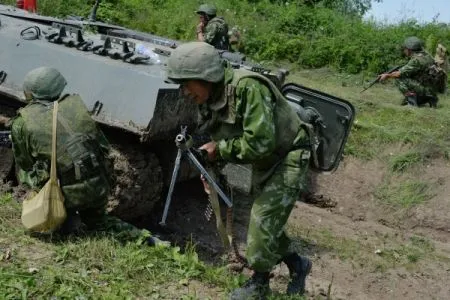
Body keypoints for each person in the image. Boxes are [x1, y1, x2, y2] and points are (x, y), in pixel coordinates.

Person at [166, 42, 312, 299]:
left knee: (262, 219)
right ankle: (298, 264)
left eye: (187, 83)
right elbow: (221, 133)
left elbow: (261, 142)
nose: (185, 92)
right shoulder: (209, 98)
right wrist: (212, 167)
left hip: (288, 156)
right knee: (265, 223)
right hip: (261, 160)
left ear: (206, 77)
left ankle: (259, 284)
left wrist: (220, 150)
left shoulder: (247, 88)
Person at [10, 67, 163, 246]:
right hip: (98, 185)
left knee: (30, 175)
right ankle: (149, 240)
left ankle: (65, 219)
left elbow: (25, 164)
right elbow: (102, 145)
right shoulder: (76, 106)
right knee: (99, 220)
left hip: (61, 194)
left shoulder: (22, 122)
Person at [379, 36, 438, 107]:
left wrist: (387, 75)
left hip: (424, 89)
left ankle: (412, 102)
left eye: (405, 49)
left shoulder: (416, 60)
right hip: (433, 89)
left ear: (409, 50)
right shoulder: (428, 55)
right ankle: (431, 98)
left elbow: (398, 74)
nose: (404, 51)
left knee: (399, 79)